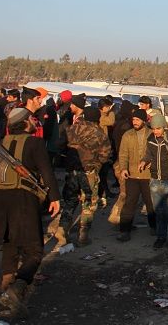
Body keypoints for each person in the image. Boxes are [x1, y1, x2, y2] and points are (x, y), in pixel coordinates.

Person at [0, 107, 61, 318]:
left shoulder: (0, 145)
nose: (35, 122)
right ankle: (17, 288)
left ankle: (6, 286)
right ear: (26, 122)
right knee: (34, 250)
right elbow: (46, 171)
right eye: (32, 119)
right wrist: (55, 198)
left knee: (9, 242)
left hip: (2, 199)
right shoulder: (35, 143)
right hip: (24, 199)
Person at [59, 105, 111, 247]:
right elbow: (105, 155)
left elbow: (60, 146)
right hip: (89, 171)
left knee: (70, 201)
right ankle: (83, 235)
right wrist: (96, 164)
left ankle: (63, 230)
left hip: (71, 170)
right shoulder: (99, 134)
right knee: (89, 203)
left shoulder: (71, 129)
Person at [138, 114, 168, 248]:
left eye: (158, 128)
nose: (155, 131)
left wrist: (167, 134)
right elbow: (149, 154)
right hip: (155, 179)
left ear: (163, 127)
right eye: (153, 128)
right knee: (159, 211)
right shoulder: (151, 139)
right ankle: (161, 237)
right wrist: (144, 161)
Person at [116, 109, 155, 242]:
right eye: (133, 120)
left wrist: (151, 162)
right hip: (132, 175)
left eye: (137, 120)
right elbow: (123, 154)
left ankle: (155, 227)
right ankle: (124, 230)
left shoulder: (151, 134)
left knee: (151, 203)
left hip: (148, 175)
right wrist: (123, 169)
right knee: (129, 203)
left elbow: (156, 152)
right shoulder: (127, 135)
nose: (135, 122)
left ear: (144, 120)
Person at [97, 98, 115, 206]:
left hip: (103, 147)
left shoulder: (102, 115)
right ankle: (101, 194)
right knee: (101, 173)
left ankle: (104, 192)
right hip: (101, 149)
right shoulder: (102, 117)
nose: (109, 109)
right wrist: (112, 112)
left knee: (103, 174)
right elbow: (111, 121)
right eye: (107, 107)